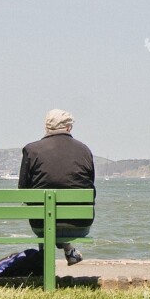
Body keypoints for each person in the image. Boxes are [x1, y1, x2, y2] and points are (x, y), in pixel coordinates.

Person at [19, 109, 95, 266]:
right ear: (69, 128)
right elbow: (91, 190)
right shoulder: (85, 150)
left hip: (41, 224)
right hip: (79, 224)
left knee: (45, 215)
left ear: (46, 127)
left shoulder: (32, 150)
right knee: (52, 217)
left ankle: (44, 261)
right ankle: (69, 250)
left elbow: (23, 190)